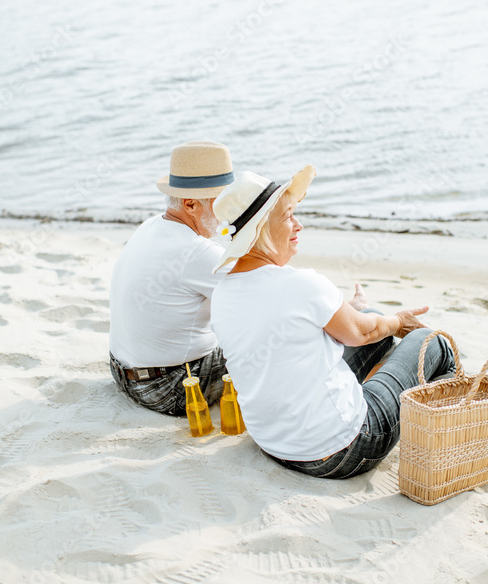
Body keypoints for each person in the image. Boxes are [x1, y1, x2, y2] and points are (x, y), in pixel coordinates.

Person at [209, 166, 457, 479]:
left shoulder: (222, 294)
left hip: (273, 444)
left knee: (370, 319)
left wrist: (354, 315)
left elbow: (291, 330)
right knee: (432, 342)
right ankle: (453, 425)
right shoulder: (301, 284)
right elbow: (362, 332)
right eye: (287, 217)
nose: (298, 225)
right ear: (260, 231)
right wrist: (398, 321)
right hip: (342, 450)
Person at [108, 141, 234, 415]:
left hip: (122, 373)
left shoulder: (150, 226)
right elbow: (260, 300)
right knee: (269, 343)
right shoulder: (198, 252)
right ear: (190, 204)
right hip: (170, 388)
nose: (230, 211)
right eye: (223, 201)